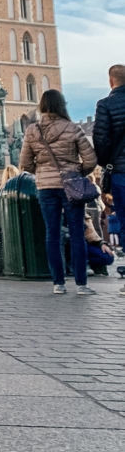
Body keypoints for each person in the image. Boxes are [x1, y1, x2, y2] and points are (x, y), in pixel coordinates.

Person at [20, 88, 98, 296]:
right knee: (76, 234)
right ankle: (81, 284)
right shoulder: (72, 128)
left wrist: (43, 173)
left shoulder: (32, 130)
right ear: (62, 105)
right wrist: (76, 172)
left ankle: (58, 283)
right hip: (70, 186)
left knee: (52, 234)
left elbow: (25, 163)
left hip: (46, 187)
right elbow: (90, 160)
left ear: (42, 106)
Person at [93, 64, 125, 295]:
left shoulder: (106, 104)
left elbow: (101, 140)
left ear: (111, 81)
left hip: (122, 172)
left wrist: (106, 164)